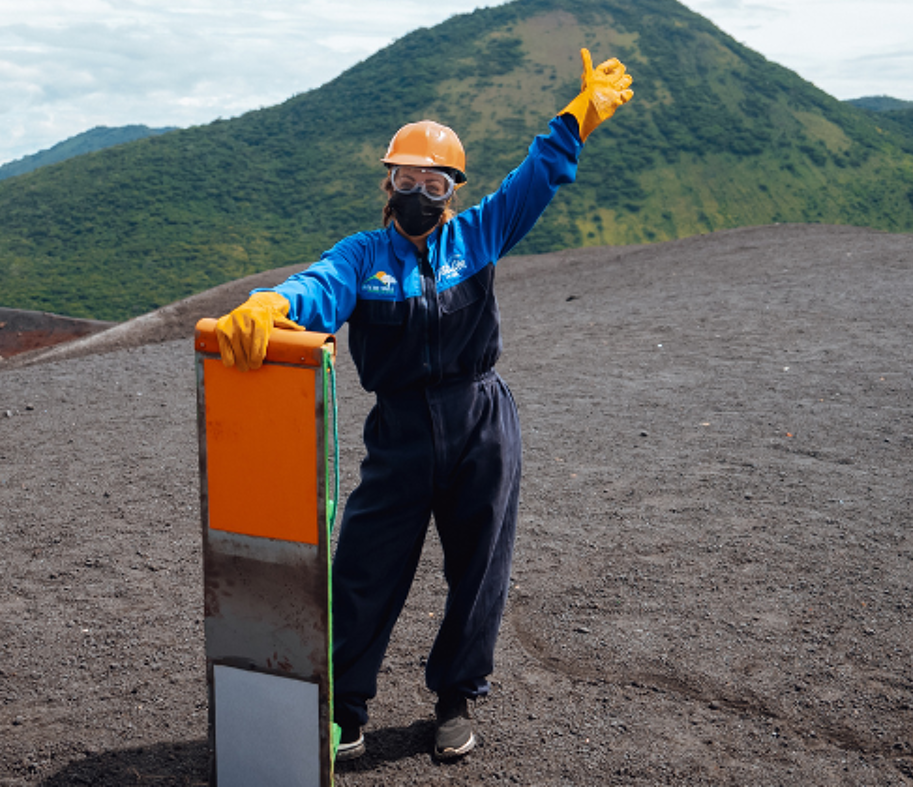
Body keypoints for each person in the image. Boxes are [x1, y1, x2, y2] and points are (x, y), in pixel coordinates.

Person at [211, 49, 634, 759]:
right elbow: (318, 286)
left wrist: (577, 117)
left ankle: (455, 700)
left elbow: (539, 179)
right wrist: (276, 301)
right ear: (389, 183)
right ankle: (345, 708)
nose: (419, 191)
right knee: (365, 566)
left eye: (433, 181)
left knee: (479, 567)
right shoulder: (361, 256)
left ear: (452, 190)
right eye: (406, 178)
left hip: (480, 420)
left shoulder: (480, 235)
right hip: (402, 428)